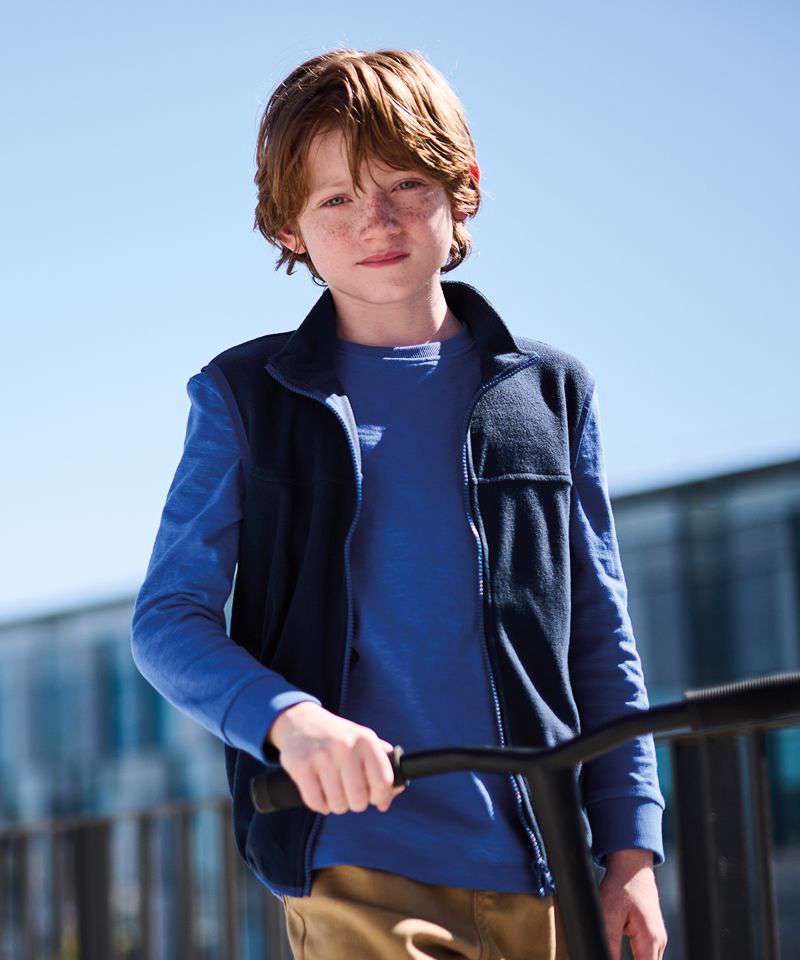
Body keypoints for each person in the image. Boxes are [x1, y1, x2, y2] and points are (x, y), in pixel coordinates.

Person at [131, 47, 668, 960]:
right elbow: (167, 619)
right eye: (335, 199)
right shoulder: (245, 398)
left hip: (548, 863)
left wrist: (632, 849)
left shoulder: (551, 394)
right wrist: (289, 721)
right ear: (288, 228)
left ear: (464, 188)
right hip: (356, 861)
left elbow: (599, 636)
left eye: (405, 184)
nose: (374, 221)